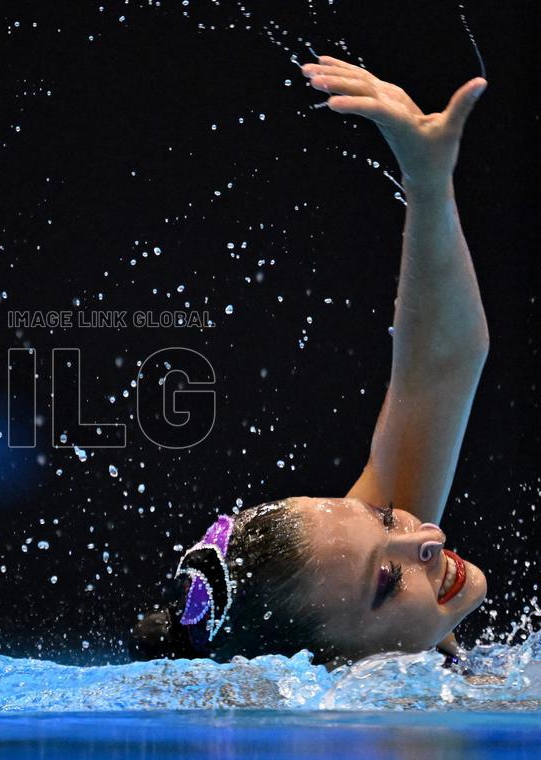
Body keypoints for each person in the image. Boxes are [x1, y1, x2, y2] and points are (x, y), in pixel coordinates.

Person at [131, 56, 491, 667]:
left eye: (384, 515)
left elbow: (441, 364)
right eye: (385, 582)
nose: (424, 538)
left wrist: (429, 186)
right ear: (328, 667)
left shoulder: (411, 632)